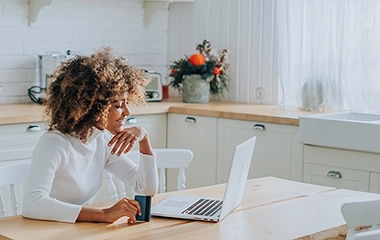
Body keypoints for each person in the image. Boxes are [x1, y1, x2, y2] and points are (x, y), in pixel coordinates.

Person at [22, 47, 159, 224]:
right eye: (118, 105)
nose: (127, 111)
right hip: (46, 231)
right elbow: (32, 204)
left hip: (78, 231)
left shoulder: (101, 141)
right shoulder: (55, 143)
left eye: (126, 103)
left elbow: (146, 188)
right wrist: (103, 214)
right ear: (93, 108)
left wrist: (144, 140)